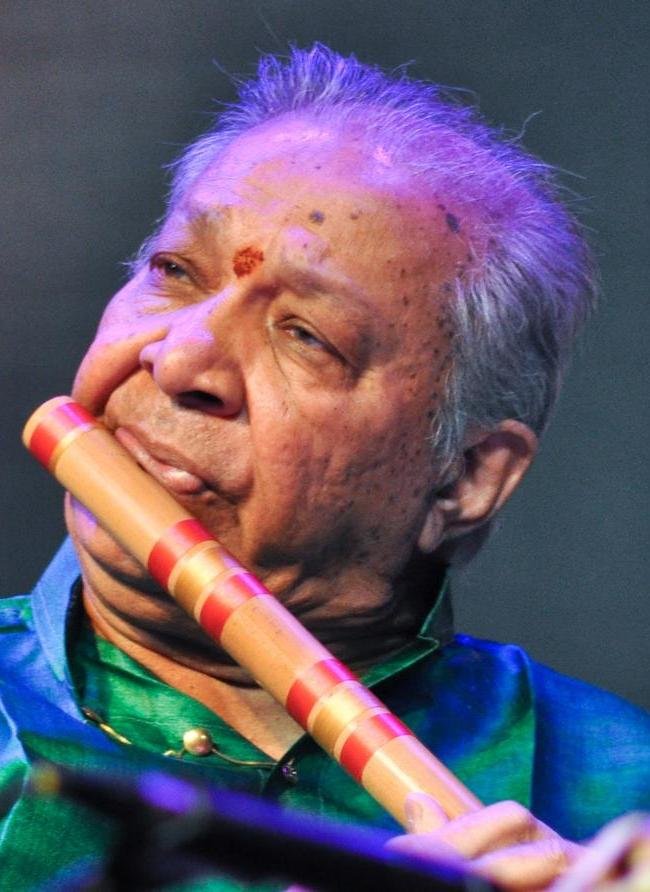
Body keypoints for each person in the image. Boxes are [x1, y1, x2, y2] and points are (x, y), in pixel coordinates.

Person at [1, 44, 648, 891]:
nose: (180, 360)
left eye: (307, 336)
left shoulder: (621, 786)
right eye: (174, 272)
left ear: (465, 477)